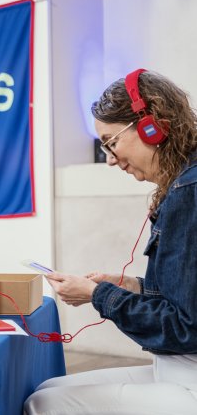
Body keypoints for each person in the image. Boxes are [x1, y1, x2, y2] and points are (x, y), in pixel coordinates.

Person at [24, 69, 197, 414]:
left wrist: (98, 295)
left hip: (188, 374)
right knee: (48, 388)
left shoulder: (187, 193)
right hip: (181, 366)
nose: (110, 159)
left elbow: (182, 329)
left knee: (42, 404)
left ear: (153, 126)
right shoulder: (185, 185)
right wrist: (129, 285)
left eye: (111, 142)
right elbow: (185, 297)